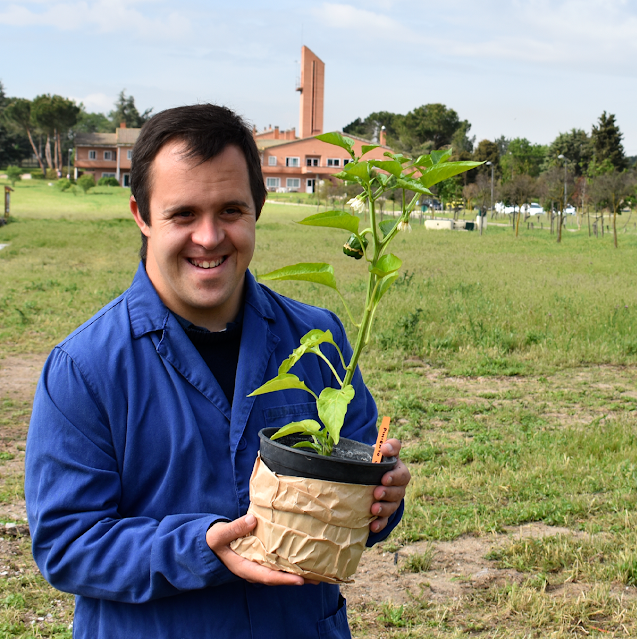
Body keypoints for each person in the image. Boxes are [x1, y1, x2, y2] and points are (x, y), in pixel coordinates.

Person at [25, 104, 410, 638]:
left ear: (259, 207)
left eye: (231, 210)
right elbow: (67, 546)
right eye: (183, 214)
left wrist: (382, 499)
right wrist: (199, 547)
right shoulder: (86, 368)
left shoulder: (317, 341)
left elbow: (360, 504)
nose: (209, 238)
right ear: (141, 214)